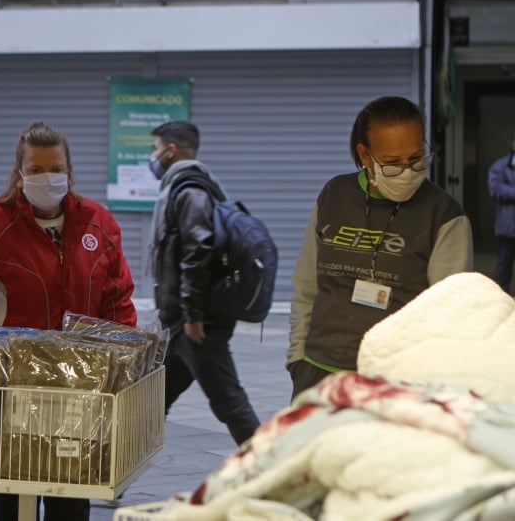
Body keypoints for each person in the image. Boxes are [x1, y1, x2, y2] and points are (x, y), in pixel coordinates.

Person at [0, 121, 136, 521]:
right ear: (19, 174)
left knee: (72, 495)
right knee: (11, 497)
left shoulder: (98, 223)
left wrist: (124, 366)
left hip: (79, 389)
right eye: (36, 170)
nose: (48, 178)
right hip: (10, 389)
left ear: (69, 171)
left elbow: (117, 303)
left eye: (56, 169)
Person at [287, 95, 473, 398]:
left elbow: (449, 315)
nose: (407, 171)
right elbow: (306, 286)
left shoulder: (444, 215)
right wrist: (298, 359)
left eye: (416, 159)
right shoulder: (335, 195)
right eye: (391, 163)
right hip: (319, 374)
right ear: (364, 155)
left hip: (397, 383)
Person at [147, 120, 261, 446]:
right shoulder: (188, 186)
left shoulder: (191, 191)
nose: (153, 157)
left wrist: (193, 314)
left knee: (230, 403)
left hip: (195, 325)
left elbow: (199, 252)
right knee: (152, 403)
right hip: (179, 322)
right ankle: (114, 478)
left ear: (171, 150)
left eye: (155, 149)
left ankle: (271, 470)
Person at [487, 131, 515, 294]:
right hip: (507, 228)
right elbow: (495, 189)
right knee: (503, 267)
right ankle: (499, 299)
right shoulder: (500, 166)